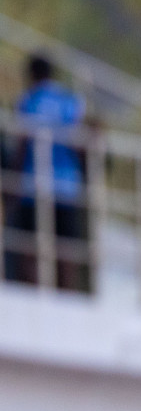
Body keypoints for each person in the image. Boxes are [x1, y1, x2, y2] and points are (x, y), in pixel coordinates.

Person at [4, 54, 90, 290]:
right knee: (66, 249)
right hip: (67, 188)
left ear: (31, 75)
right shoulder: (69, 101)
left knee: (30, 249)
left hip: (33, 187)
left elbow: (21, 146)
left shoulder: (28, 100)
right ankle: (66, 296)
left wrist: (11, 186)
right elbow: (78, 143)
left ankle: (33, 291)